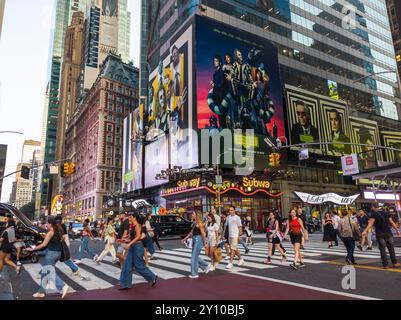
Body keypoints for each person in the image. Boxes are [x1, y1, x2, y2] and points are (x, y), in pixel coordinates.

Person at [26, 217, 70, 299]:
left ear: (50, 224)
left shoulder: (50, 232)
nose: (46, 225)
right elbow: (56, 241)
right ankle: (40, 292)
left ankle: (62, 286)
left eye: (47, 223)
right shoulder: (59, 231)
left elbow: (43, 244)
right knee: (44, 272)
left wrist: (32, 249)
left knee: (49, 272)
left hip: (51, 254)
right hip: (58, 253)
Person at [119, 213, 158, 290]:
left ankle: (153, 277)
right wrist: (124, 239)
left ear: (134, 218)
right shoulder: (132, 226)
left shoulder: (138, 226)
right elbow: (132, 236)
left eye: (130, 217)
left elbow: (138, 237)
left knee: (139, 266)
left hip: (138, 247)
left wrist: (129, 244)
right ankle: (125, 284)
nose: (129, 218)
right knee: (127, 265)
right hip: (133, 247)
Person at [363, 205, 401, 269]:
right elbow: (391, 222)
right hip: (388, 233)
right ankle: (394, 263)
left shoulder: (373, 214)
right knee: (391, 248)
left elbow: (371, 223)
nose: (372, 208)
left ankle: (385, 265)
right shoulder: (386, 213)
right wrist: (397, 230)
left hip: (380, 234)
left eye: (372, 207)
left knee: (382, 249)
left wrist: (365, 230)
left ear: (374, 208)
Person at [182, 212, 210, 278]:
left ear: (197, 215)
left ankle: (194, 274)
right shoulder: (194, 223)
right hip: (195, 240)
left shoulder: (199, 222)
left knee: (194, 257)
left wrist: (205, 243)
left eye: (193, 214)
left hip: (198, 240)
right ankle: (206, 265)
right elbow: (191, 232)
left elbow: (203, 233)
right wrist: (185, 238)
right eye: (192, 214)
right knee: (195, 256)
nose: (192, 215)